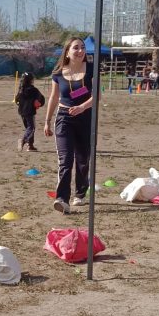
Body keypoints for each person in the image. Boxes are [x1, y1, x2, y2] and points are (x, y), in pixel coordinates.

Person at [43, 36, 93, 212]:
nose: (80, 51)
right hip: (64, 117)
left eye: (82, 48)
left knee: (83, 159)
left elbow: (97, 96)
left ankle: (80, 193)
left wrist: (82, 107)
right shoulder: (58, 73)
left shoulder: (91, 69)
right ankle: (62, 199)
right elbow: (54, 97)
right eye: (76, 48)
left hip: (85, 117)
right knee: (65, 160)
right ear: (67, 51)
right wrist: (47, 121)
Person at [15, 72, 45, 151]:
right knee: (31, 128)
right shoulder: (34, 90)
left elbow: (16, 100)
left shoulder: (21, 90)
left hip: (22, 112)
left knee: (28, 127)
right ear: (31, 80)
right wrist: (39, 103)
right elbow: (42, 99)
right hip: (30, 112)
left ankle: (30, 146)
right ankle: (23, 140)